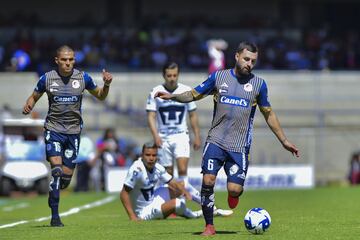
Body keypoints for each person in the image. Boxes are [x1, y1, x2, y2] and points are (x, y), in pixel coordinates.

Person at [155, 41, 300, 236]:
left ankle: (235, 195)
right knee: (208, 180)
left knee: (233, 189)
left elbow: (269, 114)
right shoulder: (219, 77)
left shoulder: (259, 85)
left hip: (239, 146)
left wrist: (284, 140)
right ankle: (209, 226)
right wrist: (172, 96)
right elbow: (194, 94)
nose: (249, 63)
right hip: (215, 140)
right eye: (247, 59)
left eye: (253, 61)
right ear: (237, 56)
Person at [22, 45, 113, 227]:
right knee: (56, 170)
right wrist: (29, 104)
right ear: (57, 60)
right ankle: (55, 217)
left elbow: (101, 96)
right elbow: (34, 96)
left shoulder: (83, 78)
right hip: (53, 130)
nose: (68, 63)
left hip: (73, 133)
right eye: (64, 60)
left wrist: (107, 84)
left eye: (71, 59)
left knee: (64, 179)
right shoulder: (47, 79)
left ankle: (54, 191)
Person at [146, 62, 232, 217]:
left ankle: (183, 202)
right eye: (169, 75)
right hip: (163, 137)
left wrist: (197, 136)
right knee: (168, 173)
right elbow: (151, 115)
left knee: (183, 169)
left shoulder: (185, 91)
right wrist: (156, 136)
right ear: (164, 75)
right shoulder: (156, 91)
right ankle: (173, 207)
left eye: (175, 75)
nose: (172, 78)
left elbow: (192, 115)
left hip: (181, 135)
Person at [120, 141, 202, 221]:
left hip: (153, 199)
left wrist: (185, 192)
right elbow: (124, 193)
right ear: (142, 155)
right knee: (176, 203)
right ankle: (195, 215)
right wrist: (132, 217)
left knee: (183, 184)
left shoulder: (157, 167)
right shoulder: (136, 170)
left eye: (154, 155)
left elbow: (172, 183)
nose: (151, 158)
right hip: (143, 212)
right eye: (148, 155)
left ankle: (208, 207)